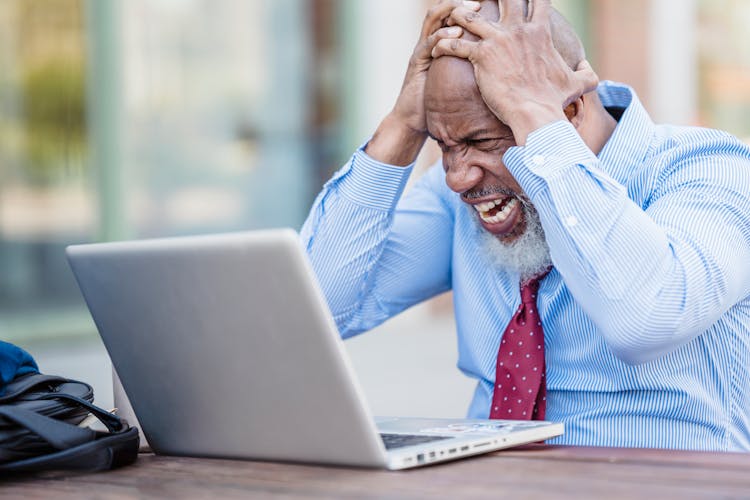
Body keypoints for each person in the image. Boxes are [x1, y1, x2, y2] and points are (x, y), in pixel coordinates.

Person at [300, 0, 750, 450]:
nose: (458, 177)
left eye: (483, 141)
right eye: (444, 145)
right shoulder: (460, 190)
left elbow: (646, 319)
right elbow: (314, 311)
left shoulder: (711, 169)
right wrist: (401, 125)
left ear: (569, 111)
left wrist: (537, 120)